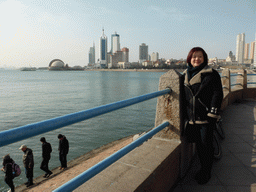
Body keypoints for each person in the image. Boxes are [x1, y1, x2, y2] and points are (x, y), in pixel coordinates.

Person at [183, 47, 223, 184]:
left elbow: (217, 94)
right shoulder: (185, 75)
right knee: (199, 146)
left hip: (206, 117)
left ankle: (206, 172)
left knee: (206, 146)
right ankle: (204, 168)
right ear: (189, 58)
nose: (196, 59)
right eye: (194, 56)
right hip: (192, 118)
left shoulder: (211, 74)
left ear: (204, 58)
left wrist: (213, 112)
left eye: (200, 56)